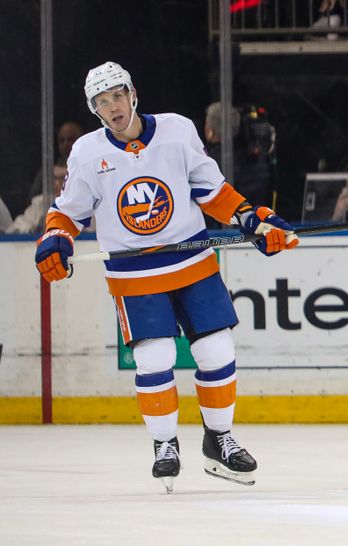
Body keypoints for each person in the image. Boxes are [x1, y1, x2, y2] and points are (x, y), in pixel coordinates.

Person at [33, 61, 299, 493]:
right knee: (154, 357)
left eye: (117, 96)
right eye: (102, 102)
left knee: (216, 348)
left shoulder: (177, 130)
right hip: (134, 274)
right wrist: (56, 238)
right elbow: (68, 212)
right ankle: (164, 445)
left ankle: (219, 440)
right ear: (95, 110)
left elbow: (212, 190)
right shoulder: (86, 152)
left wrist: (252, 218)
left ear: (132, 93)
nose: (113, 107)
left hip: (192, 262)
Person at [26, 121, 84, 204]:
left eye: (70, 139)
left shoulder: (89, 167)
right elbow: (33, 199)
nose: (66, 144)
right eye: (61, 140)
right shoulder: (47, 172)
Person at [6, 160, 70, 234]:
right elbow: (16, 227)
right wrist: (32, 228)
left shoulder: (83, 204)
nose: (56, 184)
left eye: (62, 178)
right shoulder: (41, 203)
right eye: (54, 178)